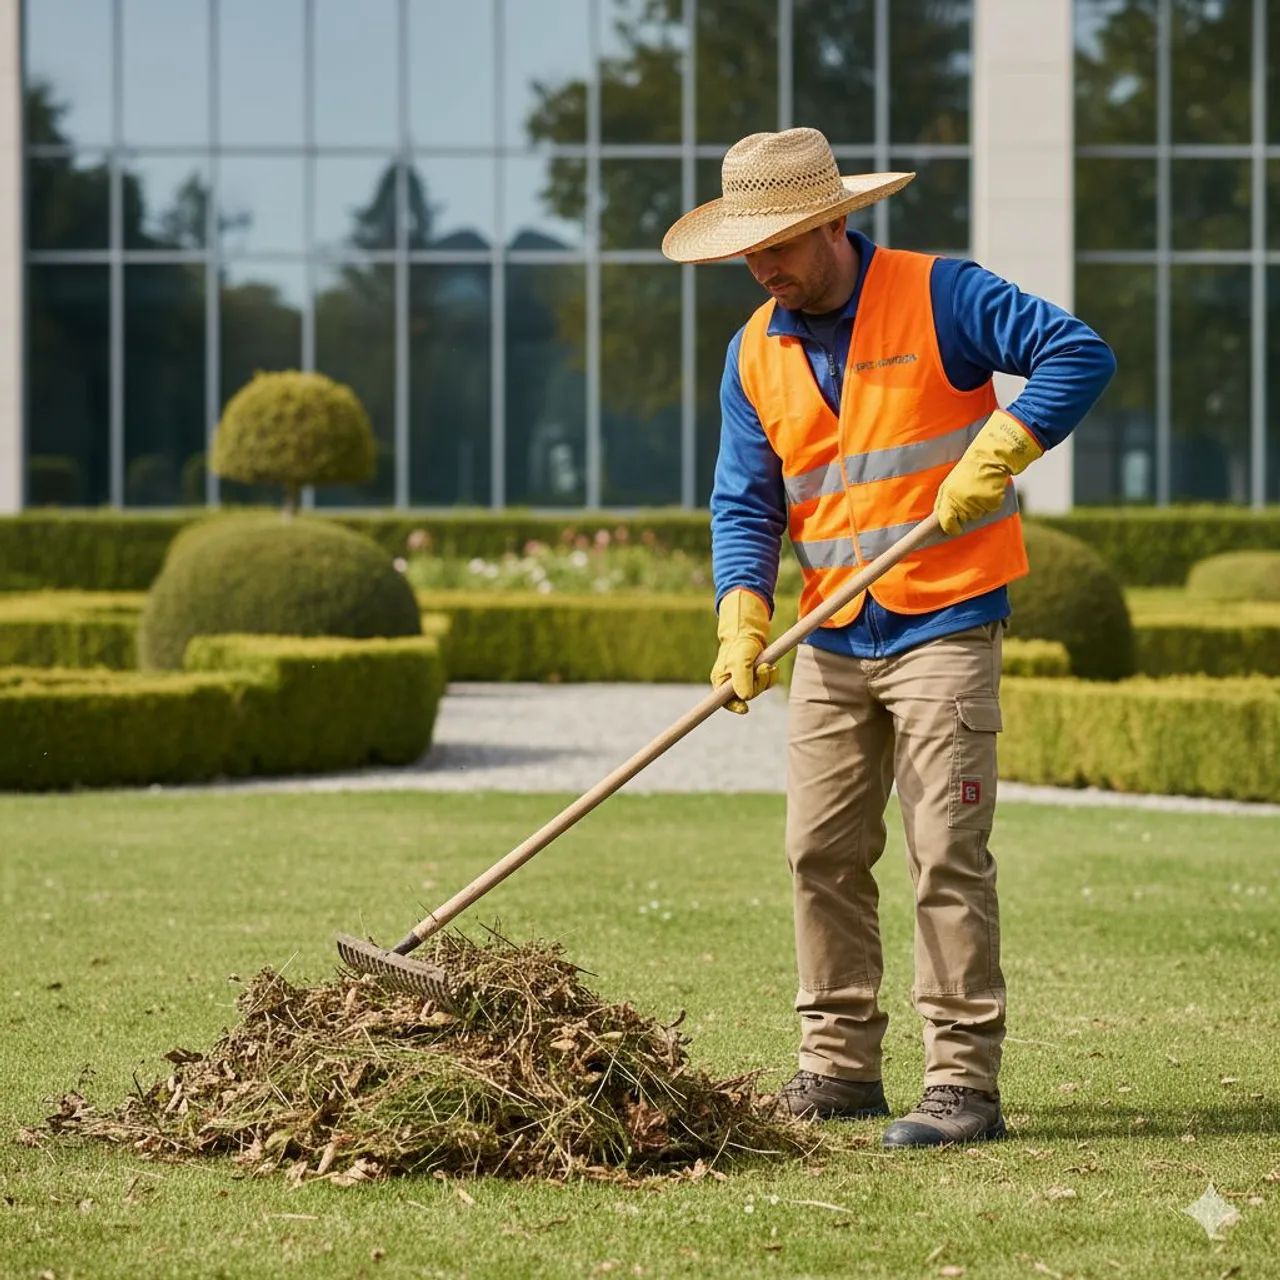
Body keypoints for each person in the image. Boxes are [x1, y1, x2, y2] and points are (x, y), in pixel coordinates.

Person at [661, 128, 1115, 1148]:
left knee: (943, 852)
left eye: (777, 243)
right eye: (748, 248)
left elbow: (1077, 351)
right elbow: (745, 500)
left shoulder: (941, 294)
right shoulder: (752, 350)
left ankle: (959, 1083)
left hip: (945, 618)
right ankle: (837, 1064)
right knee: (817, 848)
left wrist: (1004, 441)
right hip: (830, 630)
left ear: (834, 222)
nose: (760, 266)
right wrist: (742, 614)